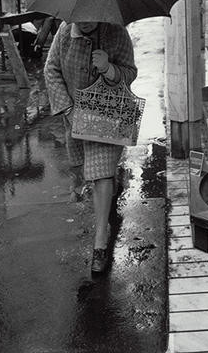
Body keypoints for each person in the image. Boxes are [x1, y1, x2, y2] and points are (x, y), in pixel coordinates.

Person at [44, 20, 137, 273]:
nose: (83, 21)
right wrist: (68, 109)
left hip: (108, 116)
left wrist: (108, 68)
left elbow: (130, 73)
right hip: (74, 117)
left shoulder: (117, 32)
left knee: (101, 174)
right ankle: (109, 190)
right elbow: (51, 70)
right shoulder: (64, 32)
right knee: (87, 170)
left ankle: (100, 242)